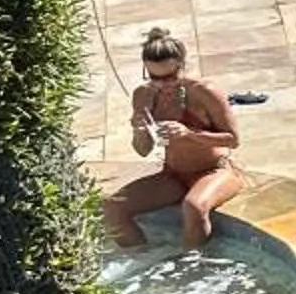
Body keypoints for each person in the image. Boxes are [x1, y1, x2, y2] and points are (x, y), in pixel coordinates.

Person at [103, 29, 245, 250]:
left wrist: (189, 134)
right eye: (154, 77)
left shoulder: (204, 91)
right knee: (113, 207)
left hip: (215, 170)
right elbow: (143, 150)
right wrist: (139, 131)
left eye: (169, 77)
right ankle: (143, 260)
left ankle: (191, 268)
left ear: (181, 65)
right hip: (173, 174)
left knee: (194, 208)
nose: (163, 84)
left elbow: (232, 139)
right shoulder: (143, 95)